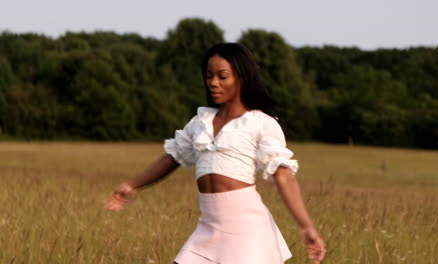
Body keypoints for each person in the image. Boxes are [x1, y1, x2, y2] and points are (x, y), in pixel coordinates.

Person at [105, 43, 326, 264]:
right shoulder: (200, 122)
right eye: (209, 76)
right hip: (208, 229)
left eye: (223, 76)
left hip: (247, 232)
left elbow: (284, 176)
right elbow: (172, 158)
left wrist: (306, 227)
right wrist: (131, 185)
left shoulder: (260, 123)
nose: (213, 83)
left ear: (242, 78)